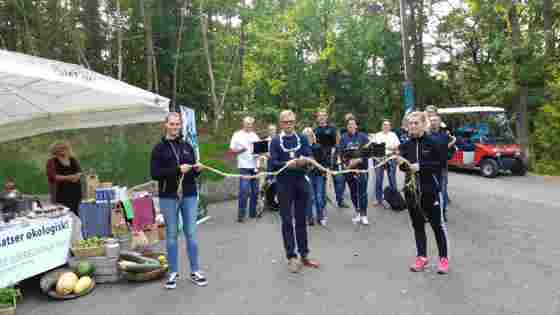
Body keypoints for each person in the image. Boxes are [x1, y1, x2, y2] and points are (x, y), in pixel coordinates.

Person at [151, 112, 207, 289]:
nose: (175, 127)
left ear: (181, 126)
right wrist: (177, 169)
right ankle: (173, 272)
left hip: (189, 193)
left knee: (191, 233)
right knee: (172, 235)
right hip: (169, 196)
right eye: (172, 124)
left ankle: (195, 270)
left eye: (178, 124)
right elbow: (155, 174)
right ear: (165, 125)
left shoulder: (187, 146)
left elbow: (191, 171)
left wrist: (197, 169)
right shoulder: (159, 148)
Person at [397, 111, 450, 274]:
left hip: (431, 191)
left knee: (437, 225)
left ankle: (443, 258)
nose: (412, 126)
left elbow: (440, 164)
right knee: (418, 225)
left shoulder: (434, 142)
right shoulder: (405, 145)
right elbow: (403, 167)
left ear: (423, 124)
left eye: (416, 123)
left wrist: (420, 166)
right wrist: (402, 163)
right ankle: (422, 257)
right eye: (410, 124)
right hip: (412, 192)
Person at [270, 110, 320, 273]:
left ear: (295, 122)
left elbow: (310, 157)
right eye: (286, 122)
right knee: (286, 221)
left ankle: (304, 255)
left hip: (301, 182)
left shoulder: (303, 138)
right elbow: (273, 164)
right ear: (281, 123)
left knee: (301, 220)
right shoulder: (276, 141)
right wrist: (287, 164)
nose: (289, 124)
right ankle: (291, 256)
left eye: (291, 121)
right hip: (284, 184)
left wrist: (304, 161)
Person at [229, 116, 261, 222]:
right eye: (247, 123)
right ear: (243, 124)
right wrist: (240, 150)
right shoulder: (237, 135)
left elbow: (260, 150)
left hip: (255, 167)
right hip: (244, 167)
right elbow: (231, 151)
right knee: (244, 190)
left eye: (251, 124)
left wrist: (259, 154)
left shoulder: (255, 136)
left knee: (255, 191)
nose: (249, 125)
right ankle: (241, 215)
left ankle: (252, 213)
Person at [339, 118, 370, 225]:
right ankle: (358, 212)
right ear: (347, 127)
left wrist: (359, 159)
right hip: (349, 169)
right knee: (353, 192)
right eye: (349, 125)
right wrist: (346, 163)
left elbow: (368, 151)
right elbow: (341, 153)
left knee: (363, 193)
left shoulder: (363, 136)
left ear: (356, 126)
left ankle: (364, 214)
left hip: (362, 169)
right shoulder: (343, 138)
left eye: (353, 124)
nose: (351, 126)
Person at [429, 114, 456, 221]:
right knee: (430, 191)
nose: (433, 122)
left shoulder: (445, 135)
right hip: (429, 168)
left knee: (442, 191)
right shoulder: (426, 135)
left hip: (442, 168)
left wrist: (453, 142)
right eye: (431, 121)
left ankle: (442, 212)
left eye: (435, 120)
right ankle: (431, 212)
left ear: (439, 122)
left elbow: (449, 149)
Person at [313, 109, 338, 223]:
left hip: (330, 161)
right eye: (320, 116)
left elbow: (336, 144)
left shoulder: (332, 129)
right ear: (317, 118)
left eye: (324, 116)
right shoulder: (315, 130)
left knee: (336, 182)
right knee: (320, 190)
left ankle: (339, 199)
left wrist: (334, 159)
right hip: (318, 162)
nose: (322, 117)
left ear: (326, 117)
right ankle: (321, 212)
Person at [46, 142, 83, 215]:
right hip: (60, 194)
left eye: (65, 148)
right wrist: (70, 177)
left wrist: (77, 176)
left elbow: (79, 172)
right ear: (55, 150)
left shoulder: (73, 159)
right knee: (63, 214)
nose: (64, 150)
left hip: (75, 192)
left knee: (75, 213)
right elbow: (54, 176)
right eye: (61, 148)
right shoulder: (51, 161)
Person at [370, 119, 400, 207]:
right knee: (379, 179)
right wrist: (377, 156)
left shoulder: (393, 135)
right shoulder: (377, 135)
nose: (386, 126)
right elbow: (373, 148)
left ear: (390, 127)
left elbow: (397, 147)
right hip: (379, 159)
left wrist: (389, 148)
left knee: (392, 179)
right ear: (382, 126)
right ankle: (378, 199)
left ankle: (394, 199)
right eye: (384, 125)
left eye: (388, 125)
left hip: (390, 158)